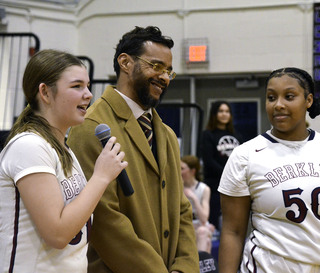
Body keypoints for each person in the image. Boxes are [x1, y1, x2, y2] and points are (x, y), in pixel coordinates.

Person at [67, 26, 199, 273]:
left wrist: (185, 267)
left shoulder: (167, 134)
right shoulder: (91, 127)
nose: (164, 77)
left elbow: (181, 210)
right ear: (125, 63)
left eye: (169, 71)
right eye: (156, 66)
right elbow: (103, 220)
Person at [0, 49, 127, 273]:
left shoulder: (63, 149)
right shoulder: (29, 146)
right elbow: (57, 234)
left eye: (87, 86)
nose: (88, 94)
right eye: (77, 86)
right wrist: (101, 176)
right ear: (45, 92)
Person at [218, 67, 320, 273]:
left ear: (308, 100)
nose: (278, 105)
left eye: (289, 97)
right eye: (271, 97)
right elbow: (233, 232)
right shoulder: (245, 155)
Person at [200, 101, 241, 230]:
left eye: (227, 111)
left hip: (234, 184)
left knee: (234, 219)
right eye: (221, 111)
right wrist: (227, 174)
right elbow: (209, 160)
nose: (224, 114)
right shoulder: (208, 135)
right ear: (214, 114)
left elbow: (242, 159)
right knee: (213, 221)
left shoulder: (237, 135)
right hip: (214, 184)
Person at [181, 155, 215, 254]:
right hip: (183, 223)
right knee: (207, 242)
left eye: (182, 169)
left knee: (202, 232)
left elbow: (204, 219)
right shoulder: (177, 187)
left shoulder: (204, 189)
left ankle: (200, 265)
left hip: (198, 224)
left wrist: (194, 198)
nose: (179, 171)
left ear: (193, 171)